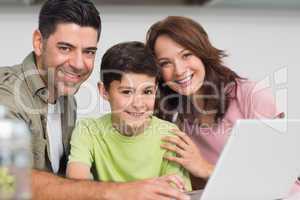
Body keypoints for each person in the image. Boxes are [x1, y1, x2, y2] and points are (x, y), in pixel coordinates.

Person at [0, 1, 190, 199]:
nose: (78, 64)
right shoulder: (7, 96)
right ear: (39, 42)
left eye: (89, 51)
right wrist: (121, 191)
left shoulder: (66, 99)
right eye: (65, 48)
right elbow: (8, 180)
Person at [145, 15, 300, 193]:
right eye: (165, 63)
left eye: (186, 55)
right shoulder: (176, 117)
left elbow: (274, 173)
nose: (179, 70)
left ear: (202, 53)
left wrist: (205, 168)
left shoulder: (251, 95)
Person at [66, 41, 191, 192]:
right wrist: (134, 191)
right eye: (126, 92)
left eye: (147, 92)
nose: (138, 104)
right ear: (104, 91)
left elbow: (175, 194)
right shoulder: (88, 130)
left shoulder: (170, 135)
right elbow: (76, 187)